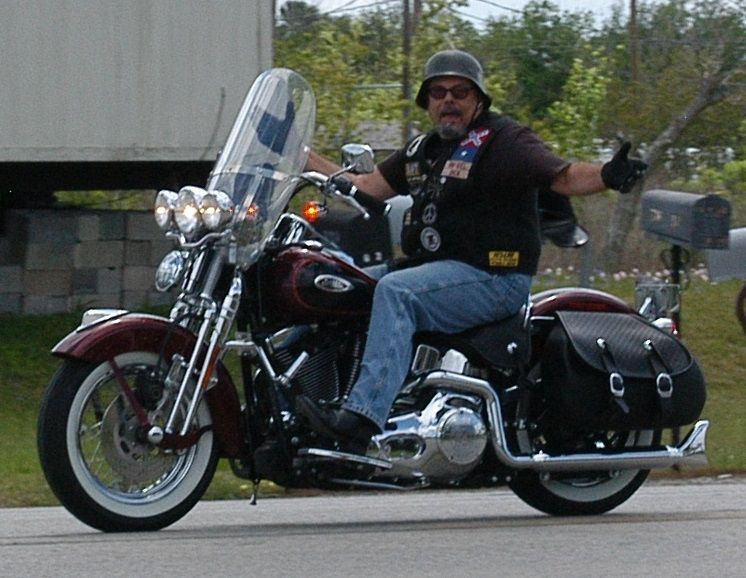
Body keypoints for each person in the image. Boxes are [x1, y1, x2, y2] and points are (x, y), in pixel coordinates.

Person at [297, 49, 647, 452]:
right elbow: (367, 186)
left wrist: (608, 174)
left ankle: (361, 419)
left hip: (493, 275)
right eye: (438, 92)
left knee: (396, 292)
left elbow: (564, 176)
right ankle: (311, 404)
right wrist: (298, 154)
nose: (448, 100)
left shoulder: (505, 140)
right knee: (336, 283)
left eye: (460, 92)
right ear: (427, 102)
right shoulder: (422, 151)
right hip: (435, 271)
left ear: (478, 100)